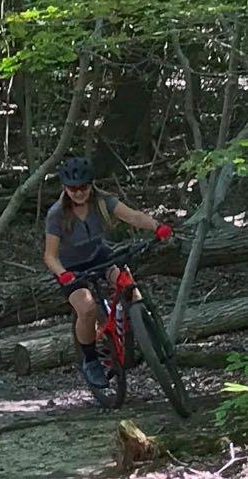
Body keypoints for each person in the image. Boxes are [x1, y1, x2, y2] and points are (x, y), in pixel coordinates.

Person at [43, 156, 173, 388]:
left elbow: (132, 216)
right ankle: (91, 360)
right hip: (70, 269)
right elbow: (50, 256)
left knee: (129, 286)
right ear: (65, 188)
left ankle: (148, 335)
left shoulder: (103, 202)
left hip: (99, 256)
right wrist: (63, 274)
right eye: (73, 188)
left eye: (83, 186)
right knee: (87, 307)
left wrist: (156, 226)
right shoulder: (57, 215)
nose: (79, 192)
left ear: (91, 185)